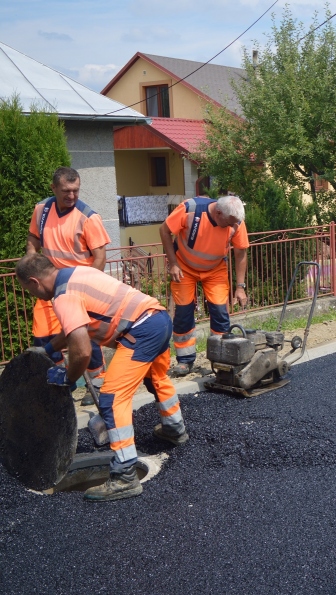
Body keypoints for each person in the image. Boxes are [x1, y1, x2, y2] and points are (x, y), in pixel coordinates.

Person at [16, 253, 188, 502]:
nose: (32, 295)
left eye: (28, 290)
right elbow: (73, 329)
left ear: (34, 282)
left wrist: (68, 377)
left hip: (140, 331)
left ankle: (125, 476)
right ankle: (174, 428)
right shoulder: (76, 274)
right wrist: (48, 350)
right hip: (157, 318)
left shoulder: (64, 297)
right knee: (156, 378)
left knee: (111, 398)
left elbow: (82, 351)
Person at [27, 167, 111, 405]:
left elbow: (100, 256)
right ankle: (62, 381)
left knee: (84, 337)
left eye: (75, 190)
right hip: (49, 287)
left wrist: (87, 289)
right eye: (66, 190)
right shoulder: (42, 211)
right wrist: (31, 257)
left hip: (78, 289)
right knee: (44, 338)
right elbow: (33, 238)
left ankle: (96, 381)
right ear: (53, 188)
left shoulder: (88, 217)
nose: (72, 195)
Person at [159, 195, 249, 375]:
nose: (233, 227)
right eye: (229, 223)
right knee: (183, 312)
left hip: (215, 269)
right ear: (218, 213)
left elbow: (240, 252)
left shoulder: (236, 220)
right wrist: (173, 264)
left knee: (220, 312)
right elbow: (164, 230)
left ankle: (221, 358)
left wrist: (240, 286)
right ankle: (185, 360)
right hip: (184, 267)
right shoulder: (189, 210)